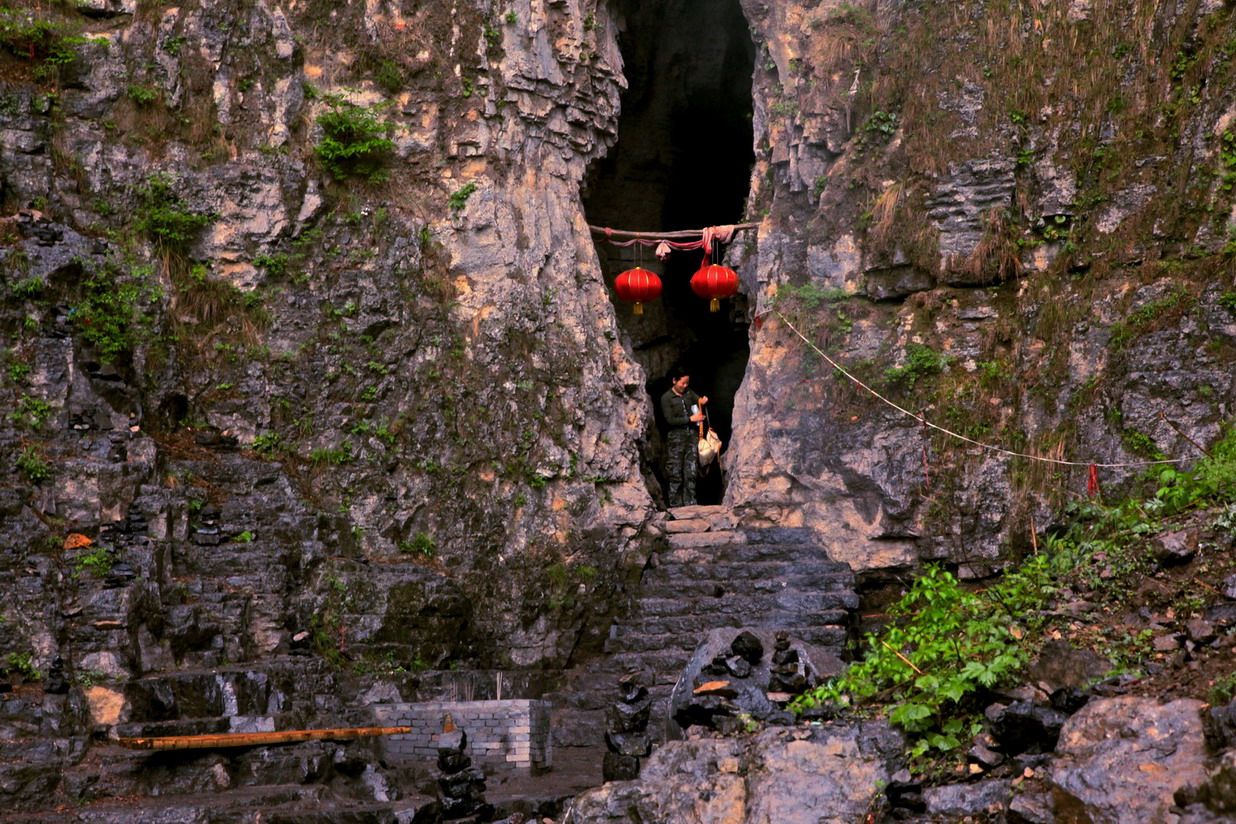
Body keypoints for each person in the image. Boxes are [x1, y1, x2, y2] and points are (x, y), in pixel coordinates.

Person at [660, 367, 707, 508]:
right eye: (682, 383)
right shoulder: (666, 398)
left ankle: (690, 503)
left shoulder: (688, 393)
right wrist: (690, 419)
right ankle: (675, 505)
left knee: (691, 470)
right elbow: (669, 420)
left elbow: (698, 400)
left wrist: (702, 401)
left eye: (687, 383)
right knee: (675, 471)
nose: (685, 386)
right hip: (676, 437)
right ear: (674, 381)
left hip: (691, 436)